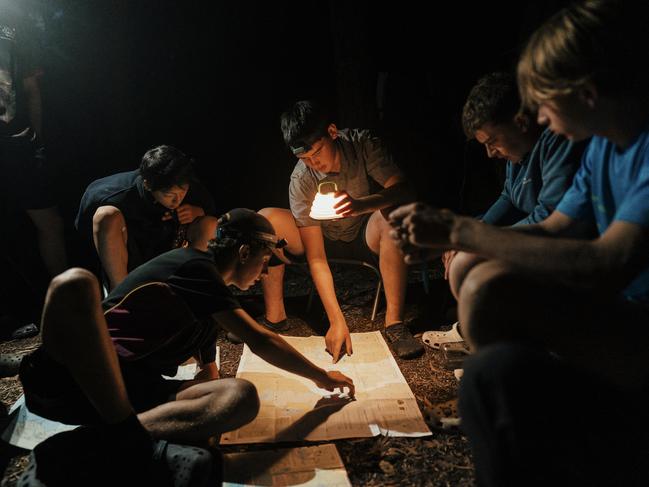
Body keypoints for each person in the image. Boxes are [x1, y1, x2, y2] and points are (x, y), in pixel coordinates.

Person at [389, 1, 649, 485]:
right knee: (489, 350)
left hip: (637, 325)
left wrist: (461, 232)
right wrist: (461, 241)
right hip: (612, 310)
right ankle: (525, 409)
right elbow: (554, 230)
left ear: (587, 93)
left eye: (546, 103)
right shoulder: (602, 148)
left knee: (490, 294)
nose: (543, 120)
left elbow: (603, 262)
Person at [18, 208, 354, 485]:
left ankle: (99, 441)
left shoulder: (209, 301)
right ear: (244, 252)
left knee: (240, 396)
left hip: (132, 393)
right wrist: (319, 376)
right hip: (76, 385)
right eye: (265, 261)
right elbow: (261, 339)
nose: (265, 272)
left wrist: (209, 423)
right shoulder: (196, 267)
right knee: (76, 282)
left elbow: (210, 376)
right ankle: (121, 439)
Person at [259, 100, 421, 361]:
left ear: (332, 132)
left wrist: (361, 206)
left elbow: (404, 189)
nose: (314, 163)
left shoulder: (362, 144)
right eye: (305, 158)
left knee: (392, 214)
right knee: (265, 220)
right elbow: (316, 258)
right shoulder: (302, 179)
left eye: (318, 152)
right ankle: (275, 317)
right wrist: (337, 320)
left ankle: (395, 323)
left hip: (364, 233)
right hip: (320, 238)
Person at [442, 71, 585, 283]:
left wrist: (482, 239)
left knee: (469, 261)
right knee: (463, 254)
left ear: (521, 122)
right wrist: (478, 230)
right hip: (537, 241)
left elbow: (548, 216)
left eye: (492, 142)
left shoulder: (557, 141)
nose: (491, 154)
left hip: (564, 248)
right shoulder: (517, 156)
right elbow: (509, 197)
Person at [0, 2, 68, 339]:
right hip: (14, 143)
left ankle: (66, 300)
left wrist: (38, 141)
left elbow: (30, 88)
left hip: (17, 142)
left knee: (49, 222)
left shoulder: (16, 26)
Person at [75, 145, 216, 291]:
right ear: (147, 184)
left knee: (208, 224)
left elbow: (215, 220)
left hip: (170, 257)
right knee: (106, 216)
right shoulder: (113, 194)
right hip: (128, 258)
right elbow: (84, 232)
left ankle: (191, 289)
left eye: (183, 192)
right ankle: (122, 295)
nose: (177, 200)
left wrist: (199, 212)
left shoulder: (187, 184)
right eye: (169, 195)